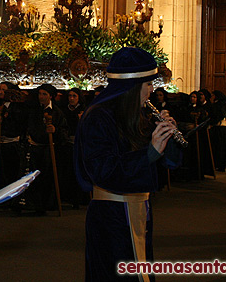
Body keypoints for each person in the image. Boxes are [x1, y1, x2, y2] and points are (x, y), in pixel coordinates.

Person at [74, 47, 181, 281]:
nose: (152, 92)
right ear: (132, 85)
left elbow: (171, 164)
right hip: (111, 216)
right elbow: (102, 171)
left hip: (138, 211)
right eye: (148, 85)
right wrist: (150, 153)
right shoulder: (98, 117)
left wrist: (168, 138)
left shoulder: (138, 115)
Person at [26, 83, 68, 215]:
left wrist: (55, 131)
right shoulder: (34, 110)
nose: (41, 97)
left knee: (48, 178)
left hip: (49, 150)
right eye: (40, 94)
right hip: (36, 148)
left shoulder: (57, 112)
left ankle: (48, 204)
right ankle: (36, 205)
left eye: (44, 94)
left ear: (51, 96)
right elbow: (30, 126)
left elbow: (64, 131)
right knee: (35, 178)